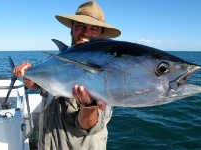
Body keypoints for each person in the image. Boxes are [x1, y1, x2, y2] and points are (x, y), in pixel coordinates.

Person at [13, 1, 121, 150]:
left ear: (101, 35)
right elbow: (35, 85)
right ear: (72, 30)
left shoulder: (108, 70)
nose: (85, 32)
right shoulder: (56, 59)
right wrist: (26, 73)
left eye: (93, 29)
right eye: (80, 26)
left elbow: (88, 126)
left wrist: (89, 107)